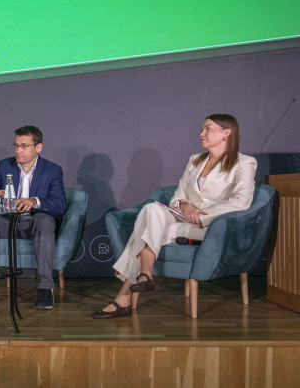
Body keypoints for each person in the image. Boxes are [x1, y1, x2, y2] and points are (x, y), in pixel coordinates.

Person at [92, 114, 257, 319]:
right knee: (151, 209)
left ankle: (124, 297)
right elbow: (178, 196)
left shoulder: (244, 163)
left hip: (213, 225)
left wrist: (202, 215)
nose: (201, 133)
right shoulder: (195, 160)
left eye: (207, 129)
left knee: (145, 231)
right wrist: (187, 206)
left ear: (226, 133)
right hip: (184, 218)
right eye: (201, 129)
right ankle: (145, 275)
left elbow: (242, 201)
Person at [0, 125, 66, 310]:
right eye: (16, 145)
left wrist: (34, 201)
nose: (18, 150)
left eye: (24, 146)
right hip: (9, 222)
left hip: (36, 220)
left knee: (45, 222)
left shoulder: (52, 170)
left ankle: (45, 289)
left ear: (38, 147)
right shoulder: (6, 165)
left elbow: (59, 204)